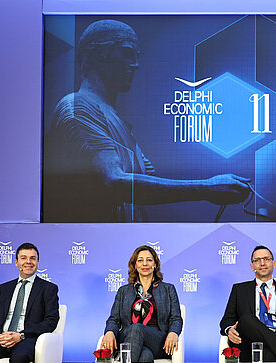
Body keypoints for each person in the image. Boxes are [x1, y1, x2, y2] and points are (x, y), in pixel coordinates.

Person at [43, 19, 250, 222]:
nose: (135, 64)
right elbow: (114, 181)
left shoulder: (113, 117)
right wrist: (206, 188)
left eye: (137, 55)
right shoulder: (78, 107)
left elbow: (146, 185)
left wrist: (212, 185)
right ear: (96, 55)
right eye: (126, 53)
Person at [102, 245, 183, 363]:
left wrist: (173, 333)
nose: (145, 264)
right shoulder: (124, 291)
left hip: (157, 339)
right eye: (140, 260)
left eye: (149, 260)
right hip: (128, 338)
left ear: (155, 265)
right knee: (145, 356)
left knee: (137, 328)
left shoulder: (168, 289)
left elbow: (176, 318)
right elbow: (114, 319)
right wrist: (109, 331)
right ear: (135, 265)